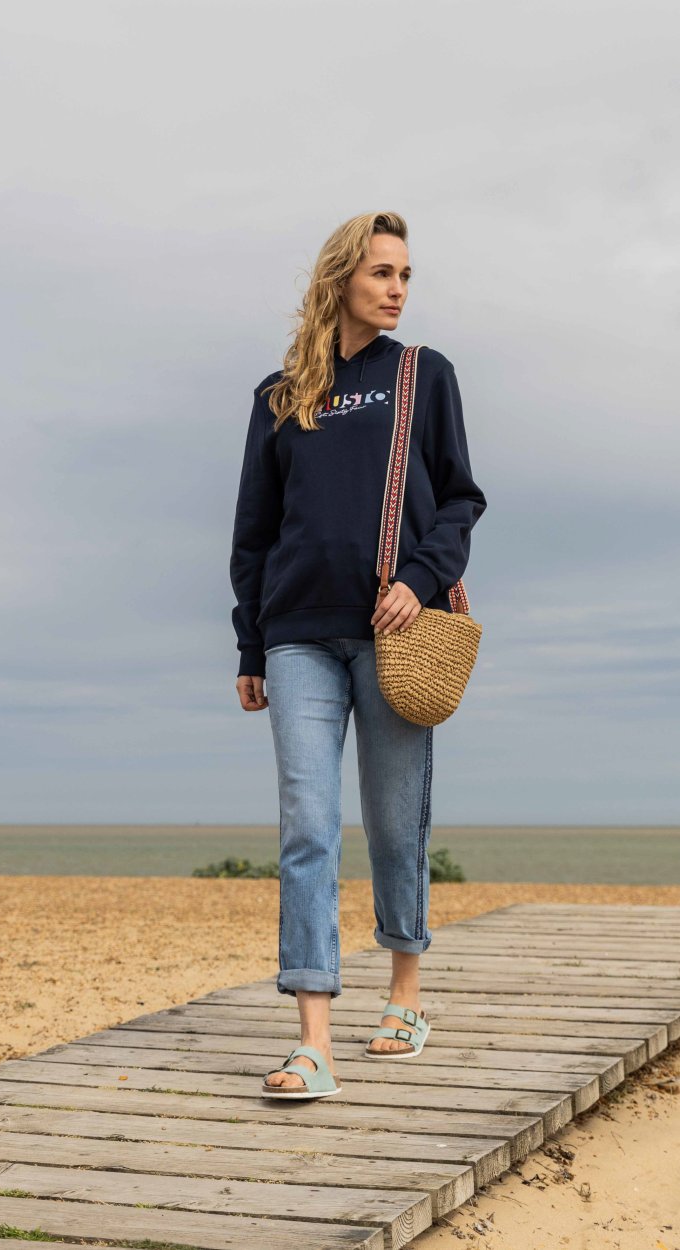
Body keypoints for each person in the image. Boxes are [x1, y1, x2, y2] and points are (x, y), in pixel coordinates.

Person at [228, 211, 487, 1098]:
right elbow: (254, 531)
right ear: (340, 277)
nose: (397, 289)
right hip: (296, 634)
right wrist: (250, 642)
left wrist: (419, 576)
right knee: (307, 824)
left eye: (405, 275)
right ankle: (314, 1043)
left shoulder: (422, 375)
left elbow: (461, 499)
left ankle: (406, 993)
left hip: (396, 631)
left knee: (393, 819)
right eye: (381, 272)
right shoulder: (280, 395)